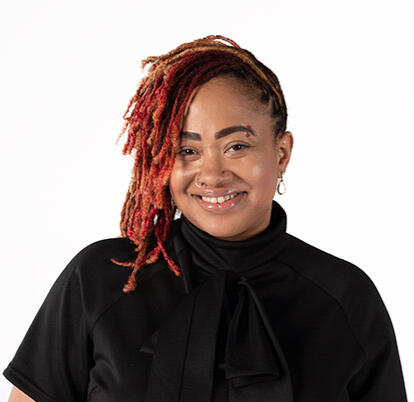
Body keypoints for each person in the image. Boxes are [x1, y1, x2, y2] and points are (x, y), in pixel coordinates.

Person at [3, 35, 407, 402]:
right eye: (187, 151)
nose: (212, 175)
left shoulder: (345, 297)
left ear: (281, 153)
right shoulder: (101, 278)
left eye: (236, 146)